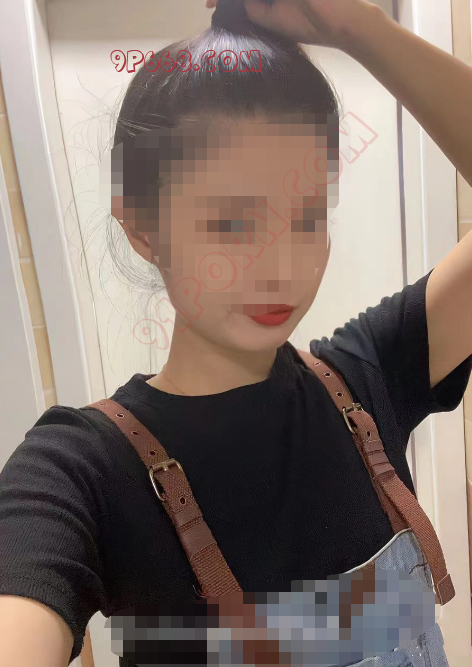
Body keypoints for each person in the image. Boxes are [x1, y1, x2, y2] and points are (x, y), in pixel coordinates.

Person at [1, 0, 472, 665]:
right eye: (231, 222)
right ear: (142, 229)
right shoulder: (81, 470)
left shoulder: (369, 376)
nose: (281, 268)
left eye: (307, 217)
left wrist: (358, 28)